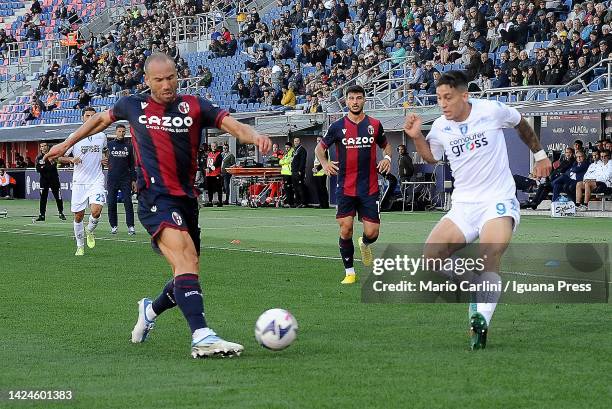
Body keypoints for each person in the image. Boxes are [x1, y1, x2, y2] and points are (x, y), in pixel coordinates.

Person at [44, 52, 271, 358]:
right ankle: (202, 336)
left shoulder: (194, 105)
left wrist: (255, 136)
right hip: (154, 197)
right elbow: (99, 119)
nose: (167, 85)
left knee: (186, 270)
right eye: (160, 80)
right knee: (185, 260)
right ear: (147, 81)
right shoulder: (132, 105)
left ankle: (150, 311)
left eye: (171, 77)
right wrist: (67, 142)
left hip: (187, 199)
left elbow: (232, 125)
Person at [403, 71, 551, 350]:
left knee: (489, 252)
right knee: (431, 257)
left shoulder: (490, 110)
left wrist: (540, 155)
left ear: (464, 95)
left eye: (448, 97)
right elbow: (431, 156)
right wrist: (416, 136)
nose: (443, 104)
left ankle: (480, 319)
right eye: (438, 99)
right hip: (464, 205)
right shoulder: (440, 127)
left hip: (497, 200)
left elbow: (521, 123)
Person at [315, 85, 393, 284]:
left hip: (369, 188)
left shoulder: (374, 125)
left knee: (372, 232)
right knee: (346, 229)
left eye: (359, 98)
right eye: (351, 98)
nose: (355, 101)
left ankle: (365, 244)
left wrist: (387, 159)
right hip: (346, 187)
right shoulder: (337, 126)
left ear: (364, 100)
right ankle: (350, 272)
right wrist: (324, 163)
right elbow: (319, 148)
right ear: (346, 101)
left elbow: (386, 145)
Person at [57, 107, 107, 256]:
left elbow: (105, 151)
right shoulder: (74, 136)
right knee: (78, 216)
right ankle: (80, 246)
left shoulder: (102, 136)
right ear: (82, 118)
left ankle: (90, 230)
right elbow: (59, 157)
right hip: (79, 182)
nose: (90, 118)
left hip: (96, 179)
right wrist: (71, 159)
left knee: (96, 210)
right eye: (87, 116)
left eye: (93, 116)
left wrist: (106, 159)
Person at [107, 124, 136, 235]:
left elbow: (132, 165)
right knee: (111, 203)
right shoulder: (109, 145)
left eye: (123, 131)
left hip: (125, 179)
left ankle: (131, 226)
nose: (121, 133)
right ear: (116, 132)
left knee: (128, 203)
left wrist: (133, 180)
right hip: (112, 179)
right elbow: (103, 158)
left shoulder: (129, 146)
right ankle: (114, 226)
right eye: (119, 131)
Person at [35, 142, 66, 221]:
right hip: (44, 180)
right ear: (40, 148)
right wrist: (46, 166)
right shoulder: (39, 157)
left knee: (58, 197)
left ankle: (61, 213)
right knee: (43, 198)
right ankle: (42, 215)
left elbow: (53, 166)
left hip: (54, 179)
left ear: (47, 147)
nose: (44, 147)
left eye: (45, 145)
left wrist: (44, 166)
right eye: (42, 146)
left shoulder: (53, 155)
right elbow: (38, 169)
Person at [312, 136, 329, 209]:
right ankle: (320, 203)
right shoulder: (316, 150)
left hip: (322, 172)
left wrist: (318, 168)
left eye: (319, 140)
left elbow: (324, 160)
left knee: (322, 188)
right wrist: (314, 168)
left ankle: (325, 204)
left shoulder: (324, 149)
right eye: (317, 140)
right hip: (316, 172)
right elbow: (316, 161)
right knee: (318, 189)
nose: (318, 141)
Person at [205, 142, 223, 207]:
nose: (213, 147)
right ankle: (210, 201)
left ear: (217, 146)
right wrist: (206, 168)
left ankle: (220, 201)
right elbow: (206, 163)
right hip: (209, 174)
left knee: (218, 188)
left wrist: (210, 169)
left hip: (216, 174)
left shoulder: (219, 154)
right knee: (209, 189)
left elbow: (217, 164)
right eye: (212, 146)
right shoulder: (209, 154)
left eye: (215, 146)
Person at [291, 137, 307, 207]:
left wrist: (300, 170)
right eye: (294, 141)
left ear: (299, 141)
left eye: (297, 141)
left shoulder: (302, 150)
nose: (296, 142)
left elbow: (302, 161)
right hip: (293, 171)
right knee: (295, 187)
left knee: (300, 187)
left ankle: (303, 203)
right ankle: (297, 202)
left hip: (298, 172)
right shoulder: (295, 150)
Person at [279, 141, 294, 207]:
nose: (286, 148)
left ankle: (290, 203)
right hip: (285, 172)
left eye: (288, 147)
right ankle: (289, 202)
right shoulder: (286, 153)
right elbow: (280, 161)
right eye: (286, 147)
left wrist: (283, 161)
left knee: (288, 188)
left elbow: (288, 160)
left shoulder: (292, 153)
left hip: (289, 173)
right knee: (286, 188)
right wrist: (284, 161)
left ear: (290, 147)